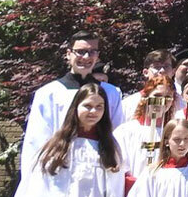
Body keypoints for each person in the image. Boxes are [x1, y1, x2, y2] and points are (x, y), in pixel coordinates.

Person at [22, 30, 123, 176]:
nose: (86, 57)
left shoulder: (111, 93)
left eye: (92, 52)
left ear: (98, 56)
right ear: (69, 54)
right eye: (80, 51)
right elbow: (36, 139)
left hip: (97, 168)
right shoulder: (49, 93)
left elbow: (116, 133)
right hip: (59, 168)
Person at [114, 75, 180, 185]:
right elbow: (119, 168)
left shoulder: (174, 133)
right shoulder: (126, 131)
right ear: (146, 97)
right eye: (157, 95)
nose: (161, 102)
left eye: (167, 98)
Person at [120, 49, 178, 121]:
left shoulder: (182, 103)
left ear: (173, 72)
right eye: (157, 67)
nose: (162, 71)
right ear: (146, 72)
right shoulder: (129, 104)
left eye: (166, 66)